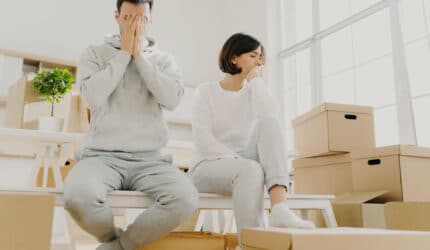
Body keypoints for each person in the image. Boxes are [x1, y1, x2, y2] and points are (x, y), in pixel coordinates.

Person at [63, 1, 198, 249]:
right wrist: (124, 55)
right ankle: (111, 240)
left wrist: (140, 58)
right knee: (76, 197)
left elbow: (172, 100)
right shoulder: (94, 53)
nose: (135, 24)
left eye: (141, 18)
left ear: (150, 20)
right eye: (128, 17)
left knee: (186, 198)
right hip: (101, 157)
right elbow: (92, 97)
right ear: (116, 16)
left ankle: (121, 246)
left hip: (150, 160)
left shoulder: (164, 60)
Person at [190, 33, 315, 243]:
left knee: (270, 124)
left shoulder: (254, 91)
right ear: (234, 58)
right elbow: (204, 141)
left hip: (245, 165)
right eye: (253, 55)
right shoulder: (206, 91)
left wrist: (256, 81)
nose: (260, 62)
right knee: (250, 169)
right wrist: (243, 163)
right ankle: (251, 244)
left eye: (261, 57)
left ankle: (279, 209)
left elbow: (269, 117)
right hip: (207, 166)